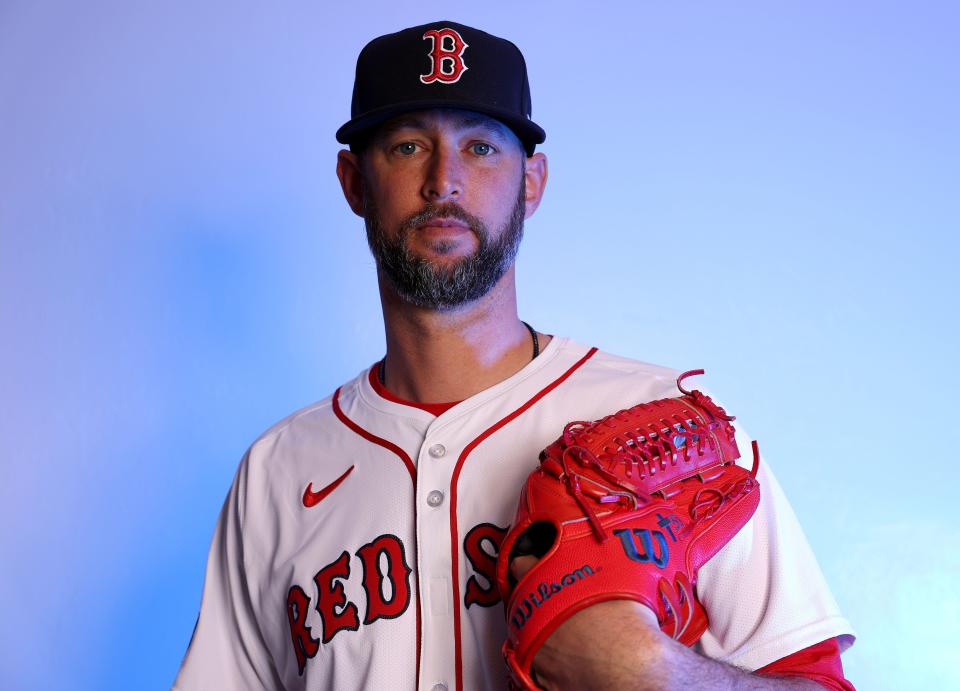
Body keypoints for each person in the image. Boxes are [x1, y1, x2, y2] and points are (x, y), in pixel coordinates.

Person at [174, 21, 855, 691]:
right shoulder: (277, 470)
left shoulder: (661, 424)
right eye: (409, 146)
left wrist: (655, 673)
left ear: (532, 181)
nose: (444, 181)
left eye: (480, 148)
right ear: (354, 181)